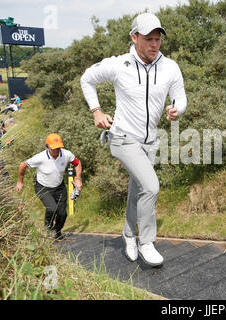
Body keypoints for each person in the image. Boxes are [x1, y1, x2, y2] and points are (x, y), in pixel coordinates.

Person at [80, 12, 187, 266]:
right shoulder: (119, 64)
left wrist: (177, 109)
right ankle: (146, 241)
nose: (154, 44)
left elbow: (180, 97)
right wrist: (96, 110)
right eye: (148, 39)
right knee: (151, 187)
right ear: (134, 37)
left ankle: (129, 235)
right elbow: (87, 79)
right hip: (122, 138)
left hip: (150, 142)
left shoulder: (170, 67)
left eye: (158, 39)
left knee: (137, 190)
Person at [16, 133, 83, 240]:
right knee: (52, 208)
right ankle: (48, 229)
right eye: (54, 148)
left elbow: (77, 163)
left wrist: (78, 179)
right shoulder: (40, 157)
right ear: (47, 146)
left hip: (59, 186)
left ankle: (57, 232)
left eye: (58, 148)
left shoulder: (66, 154)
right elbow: (22, 165)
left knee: (62, 213)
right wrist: (20, 181)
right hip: (42, 187)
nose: (57, 150)